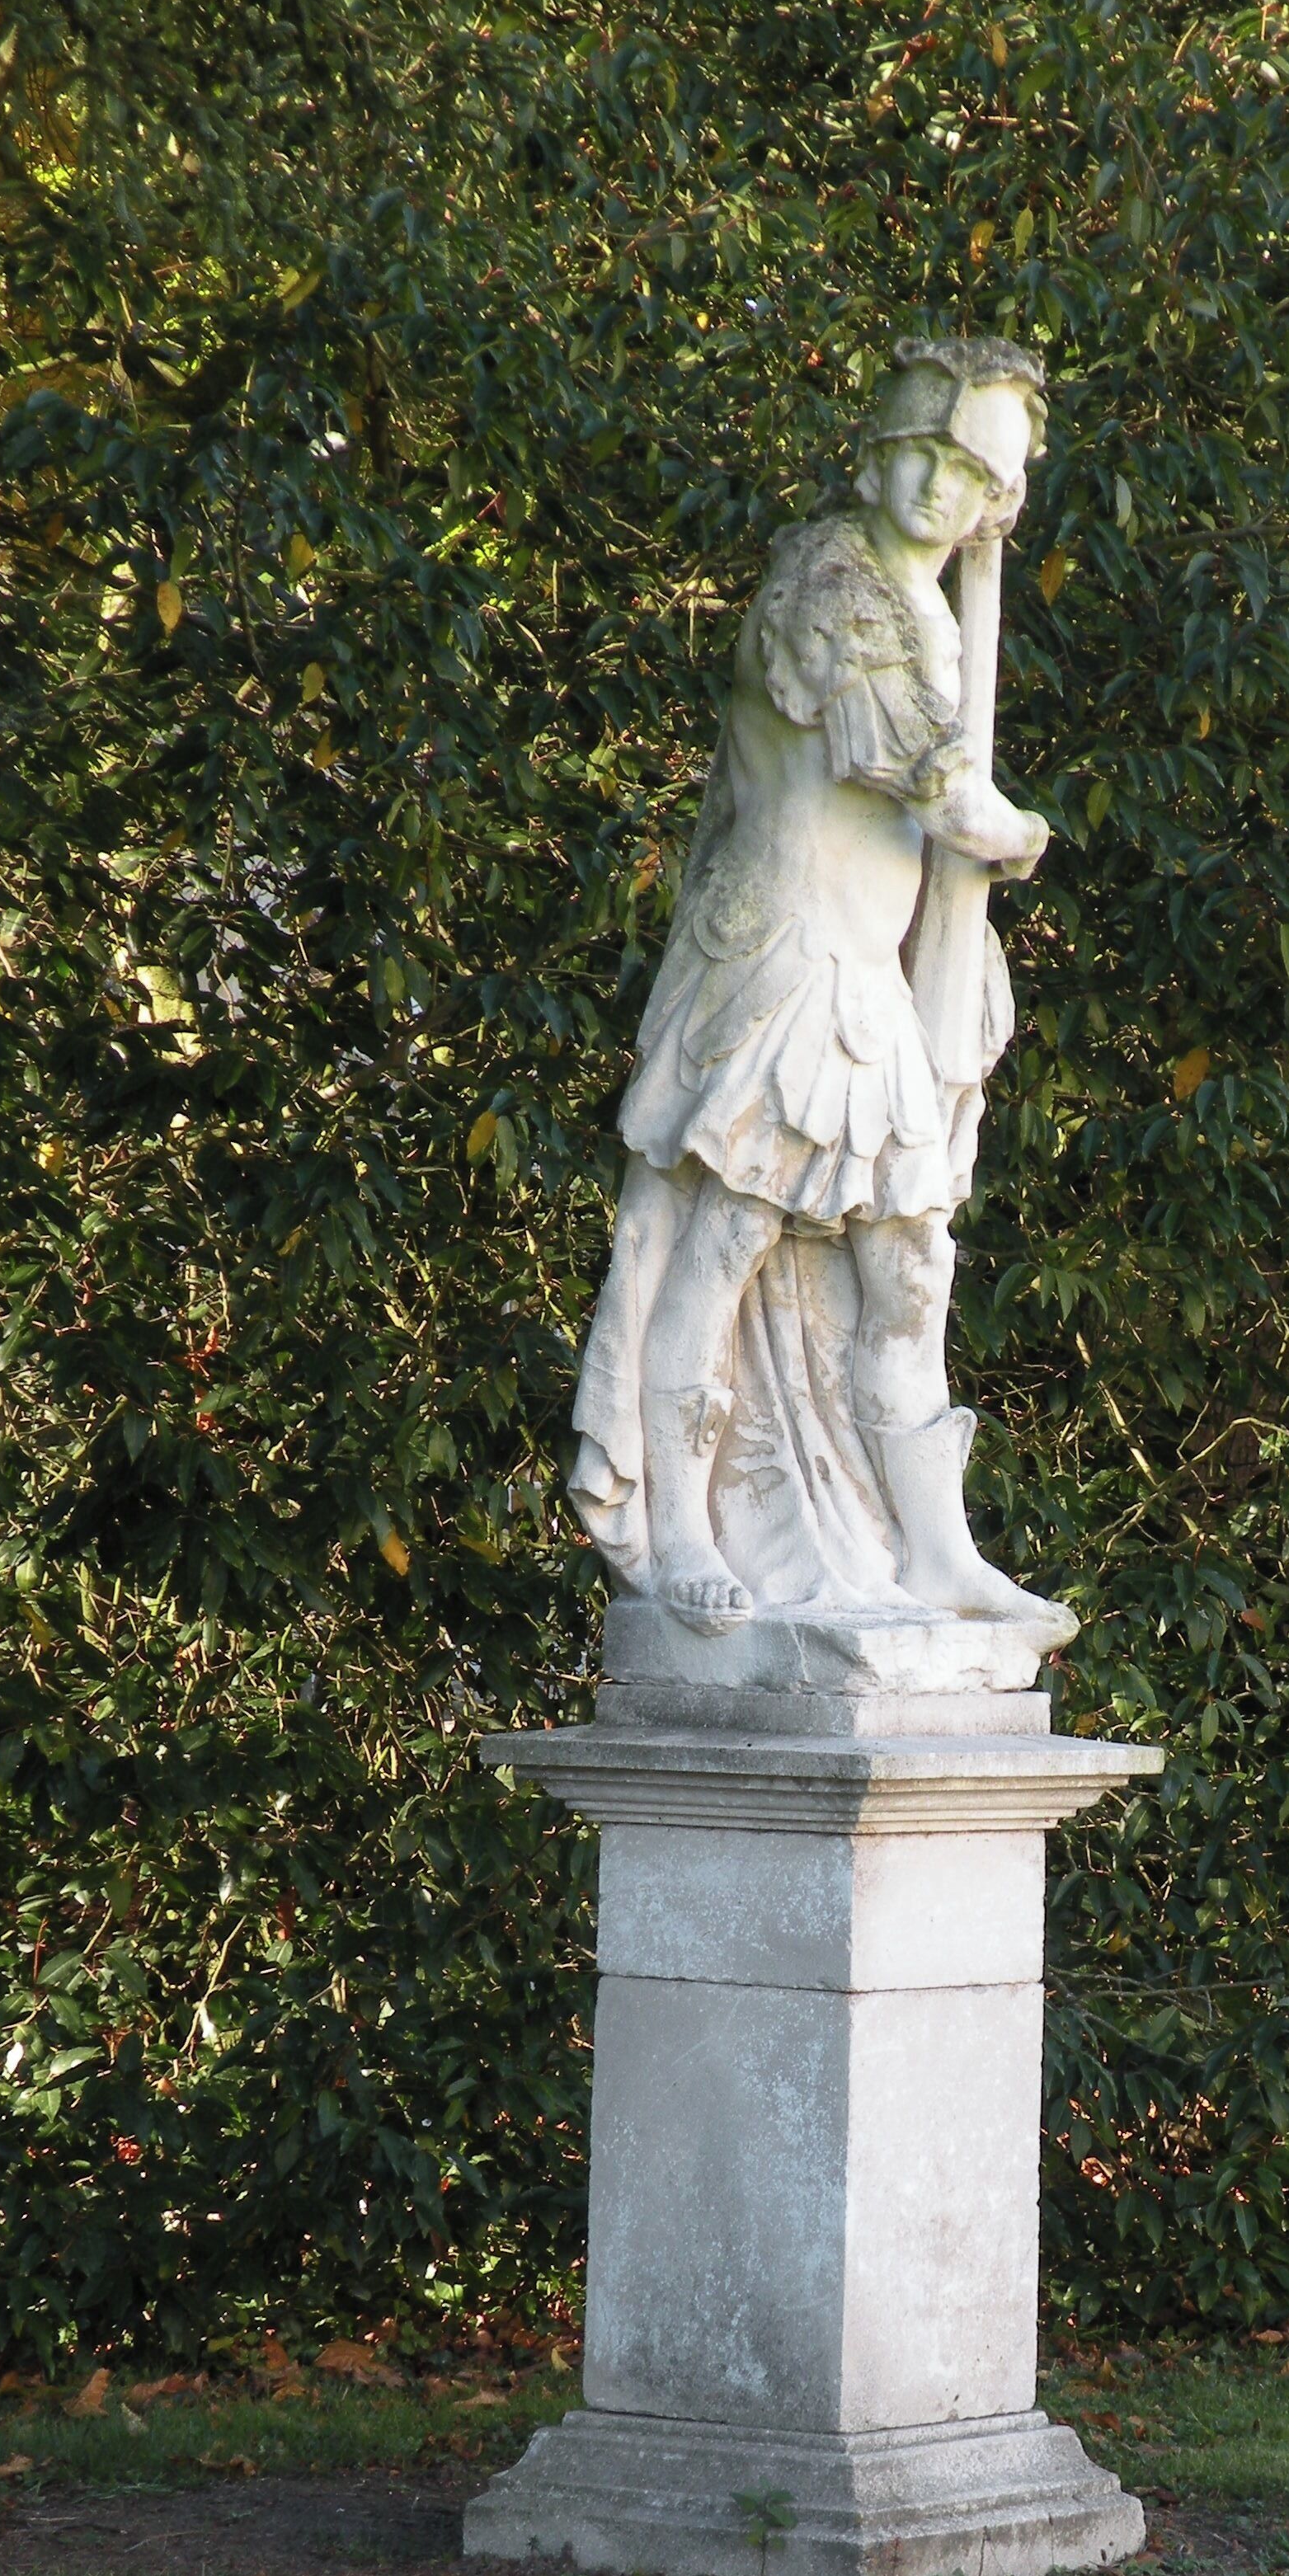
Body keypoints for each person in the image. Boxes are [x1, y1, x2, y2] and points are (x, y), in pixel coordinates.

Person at [567, 335, 1070, 1639]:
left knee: (909, 1266)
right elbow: (926, 783)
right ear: (880, 452)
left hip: (864, 990)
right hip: (780, 967)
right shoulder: (829, 583)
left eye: (971, 476)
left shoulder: (934, 615)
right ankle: (684, 1527)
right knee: (721, 1253)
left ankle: (937, 1547)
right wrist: (1007, 832)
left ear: (994, 505)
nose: (938, 491)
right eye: (925, 455)